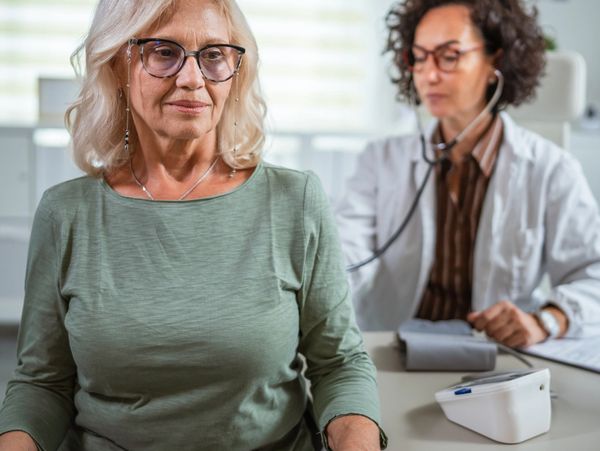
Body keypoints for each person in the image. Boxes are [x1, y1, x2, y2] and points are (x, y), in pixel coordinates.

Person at [0, 1, 387, 450]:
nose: (191, 79)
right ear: (116, 67)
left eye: (214, 55)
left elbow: (338, 364)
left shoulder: (295, 201)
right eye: (164, 52)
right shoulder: (65, 213)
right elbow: (42, 384)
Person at [336, 0, 600, 347]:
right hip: (394, 351)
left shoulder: (552, 169)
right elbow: (346, 253)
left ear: (496, 62)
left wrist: (547, 320)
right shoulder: (380, 160)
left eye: (449, 56)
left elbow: (592, 275)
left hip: (498, 359)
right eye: (419, 56)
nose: (429, 74)